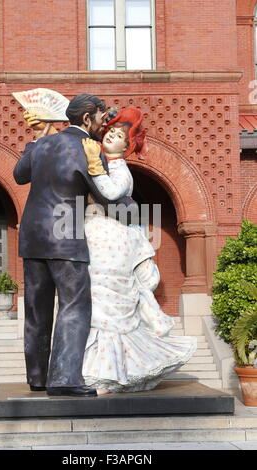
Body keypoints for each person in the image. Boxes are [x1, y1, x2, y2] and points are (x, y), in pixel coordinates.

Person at [13, 94, 138, 397]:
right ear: (86, 119)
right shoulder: (88, 147)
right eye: (99, 116)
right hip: (65, 234)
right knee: (74, 306)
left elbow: (19, 175)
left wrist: (34, 141)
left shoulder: (42, 144)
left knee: (36, 309)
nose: (103, 122)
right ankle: (65, 379)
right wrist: (129, 204)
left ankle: (38, 376)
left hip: (32, 235)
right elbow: (106, 194)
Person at [81, 107, 197, 394]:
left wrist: (94, 165)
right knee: (96, 308)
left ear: (127, 145)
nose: (112, 136)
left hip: (112, 242)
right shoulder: (100, 164)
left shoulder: (120, 169)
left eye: (120, 135)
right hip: (94, 237)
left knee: (109, 310)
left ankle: (110, 375)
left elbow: (109, 193)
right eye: (110, 131)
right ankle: (100, 372)